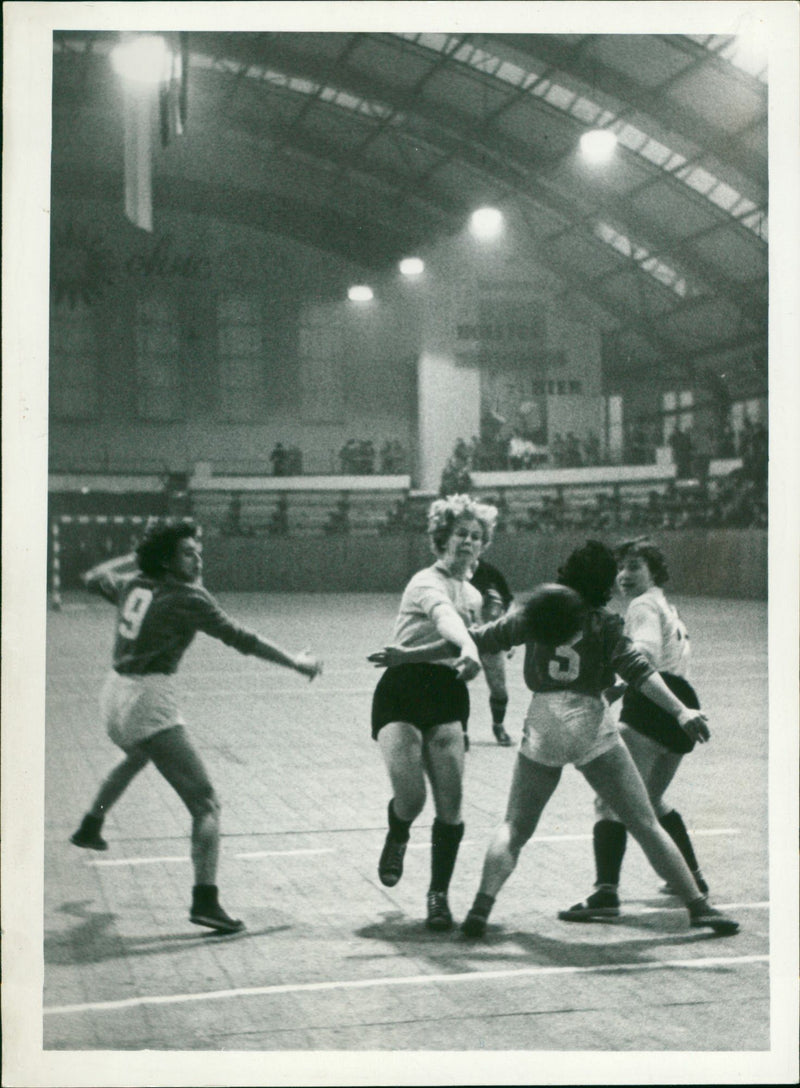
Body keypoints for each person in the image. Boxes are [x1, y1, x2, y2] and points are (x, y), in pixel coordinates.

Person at [372, 540, 739, 938]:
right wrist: (681, 710)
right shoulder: (605, 623)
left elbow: (473, 639)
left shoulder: (538, 613)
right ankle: (698, 907)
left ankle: (481, 906)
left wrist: (408, 655)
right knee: (645, 822)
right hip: (589, 719)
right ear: (603, 583)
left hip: (543, 719)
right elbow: (639, 671)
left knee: (515, 826)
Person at [69, 520, 322, 934]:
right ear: (168, 561)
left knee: (136, 756)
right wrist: (295, 661)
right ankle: (205, 901)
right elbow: (242, 638)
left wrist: (138, 558)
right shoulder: (187, 596)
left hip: (113, 696)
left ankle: (92, 823)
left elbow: (92, 576)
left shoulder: (134, 584)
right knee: (205, 803)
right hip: (149, 699)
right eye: (188, 551)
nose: (198, 557)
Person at [558, 537, 710, 921]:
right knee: (651, 801)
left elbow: (644, 654)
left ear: (653, 571)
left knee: (611, 800)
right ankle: (691, 878)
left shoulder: (642, 606)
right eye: (620, 568)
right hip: (681, 707)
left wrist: (608, 687)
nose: (624, 575)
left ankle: (605, 893)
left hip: (652, 708)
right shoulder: (664, 605)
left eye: (634, 567)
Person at [367, 494, 495, 931]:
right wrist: (470, 645)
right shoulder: (425, 581)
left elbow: (463, 640)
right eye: (461, 533)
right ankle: (398, 832)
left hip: (447, 693)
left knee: (451, 805)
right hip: (402, 691)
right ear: (443, 536)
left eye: (476, 536)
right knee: (412, 798)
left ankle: (438, 896)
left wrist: (479, 657)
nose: (469, 541)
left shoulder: (475, 594)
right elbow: (446, 621)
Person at [469, 556, 515, 747]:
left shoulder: (490, 573)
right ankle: (460, 730)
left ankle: (498, 726)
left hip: (490, 637)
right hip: (463, 636)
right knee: (455, 684)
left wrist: (510, 634)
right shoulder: (450, 576)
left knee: (499, 687)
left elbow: (510, 602)